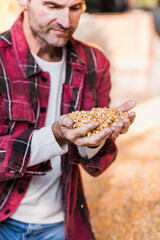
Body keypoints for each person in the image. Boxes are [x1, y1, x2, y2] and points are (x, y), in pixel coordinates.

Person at [0, 0, 136, 239]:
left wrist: (94, 141)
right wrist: (54, 136)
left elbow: (95, 163)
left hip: (63, 224)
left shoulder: (95, 63)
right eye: (53, 6)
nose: (66, 22)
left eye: (75, 8)